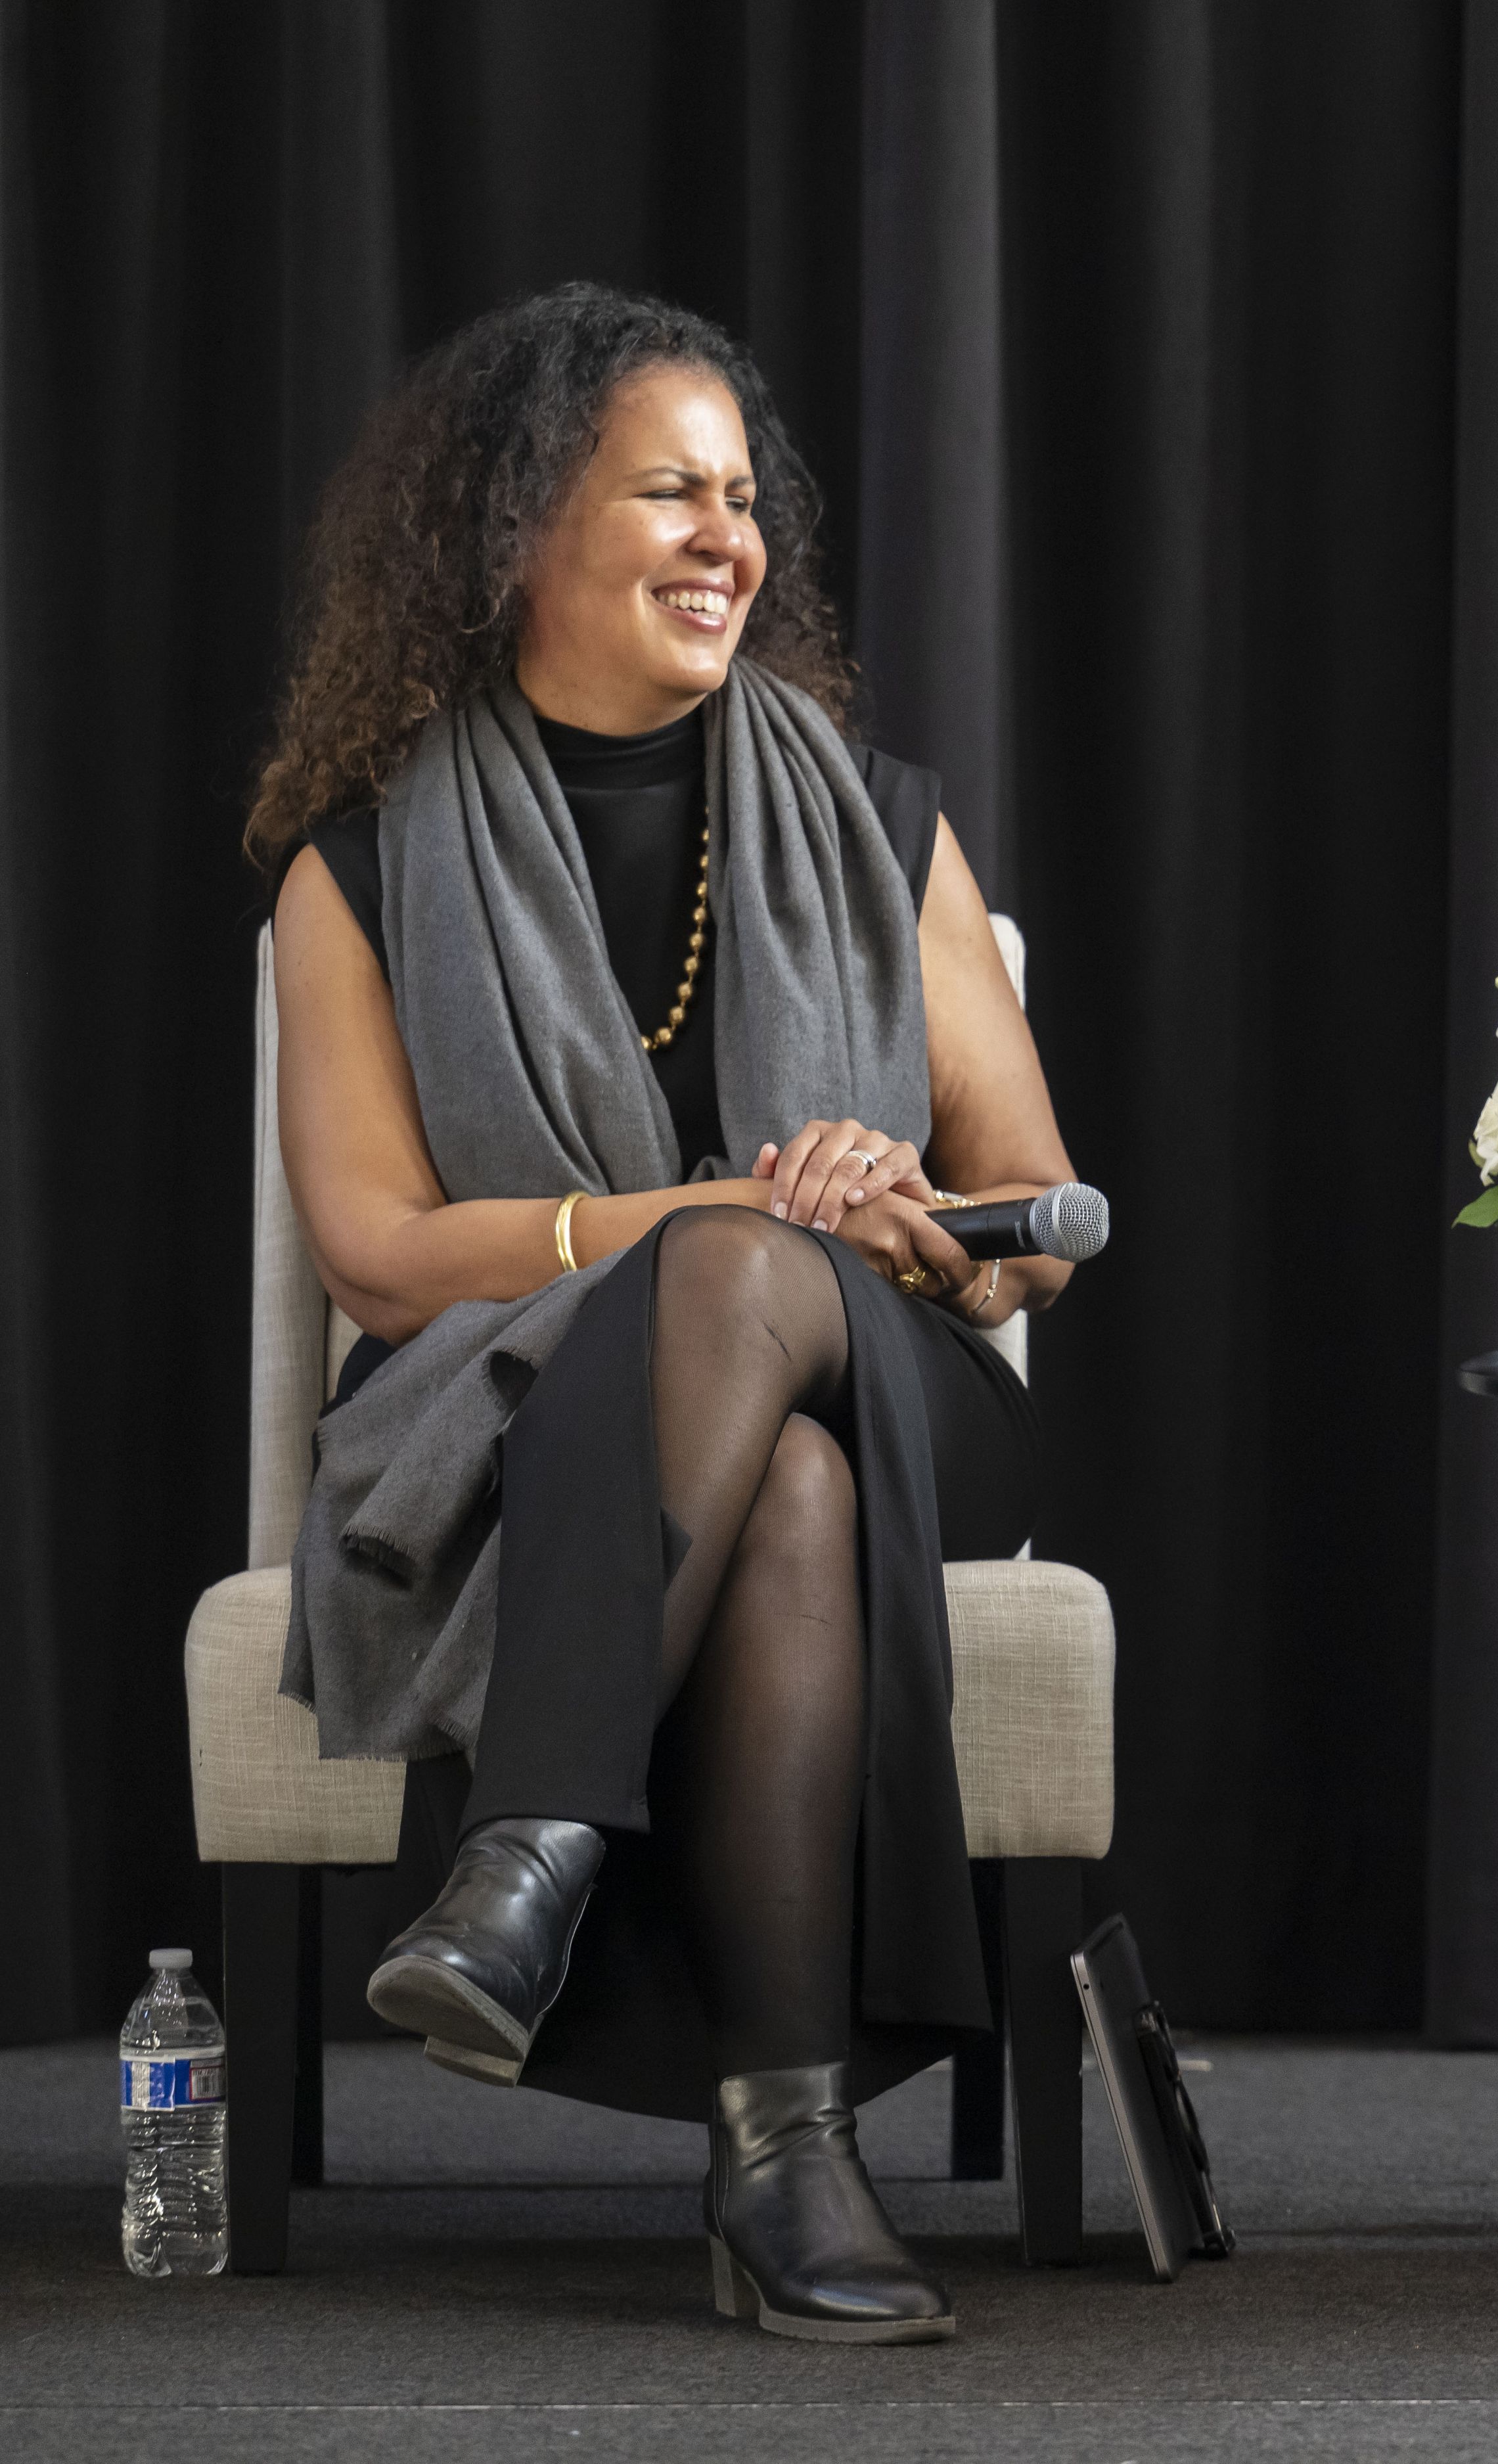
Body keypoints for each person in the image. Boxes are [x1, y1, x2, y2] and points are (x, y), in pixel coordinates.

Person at [254, 284, 1081, 2344]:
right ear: (520, 526)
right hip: (507, 1400)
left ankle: (529, 1849)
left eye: (744, 496)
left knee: (767, 1319)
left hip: (902, 1358)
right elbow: (371, 1251)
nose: (732, 538)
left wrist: (898, 1220)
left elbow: (1033, 1230)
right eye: (669, 494)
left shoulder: (880, 823)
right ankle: (784, 2160)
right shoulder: (354, 868)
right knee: (769, 1462)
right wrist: (694, 1214)